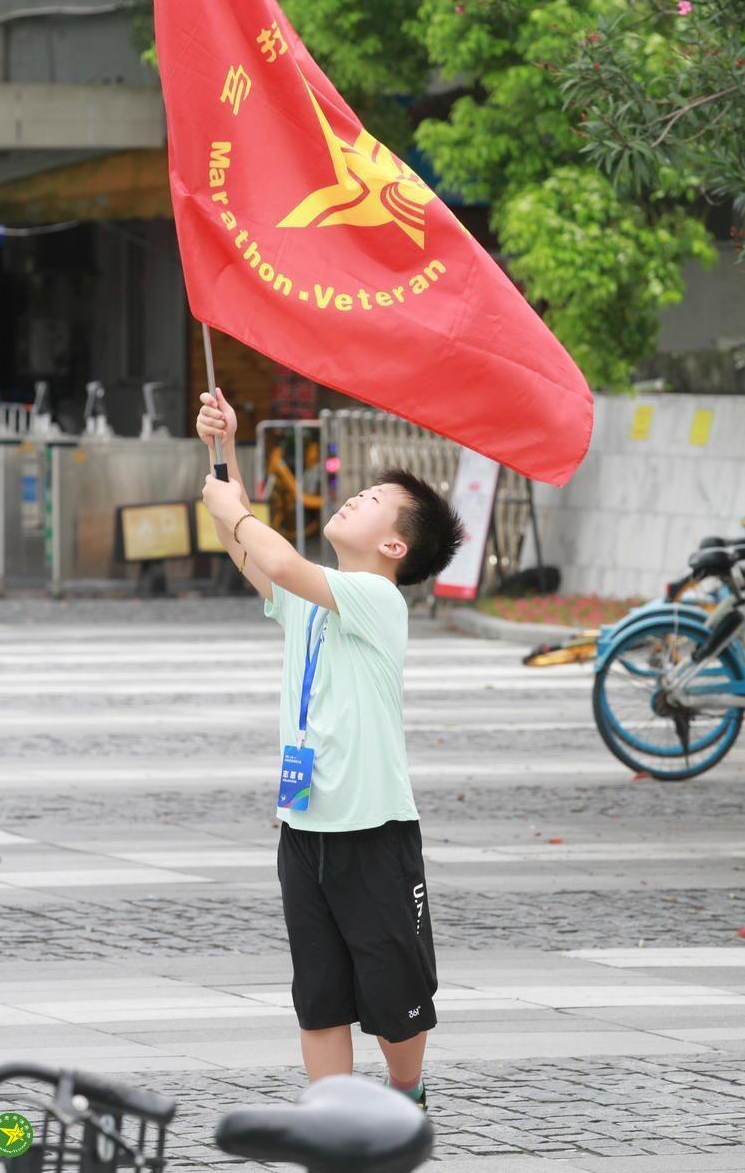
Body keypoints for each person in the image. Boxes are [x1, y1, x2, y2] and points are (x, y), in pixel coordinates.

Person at [197, 387, 464, 1111]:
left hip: (372, 833)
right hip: (302, 829)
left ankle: (406, 1094)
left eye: (374, 499)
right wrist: (222, 450)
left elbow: (277, 560)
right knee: (318, 996)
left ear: (394, 547)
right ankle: (337, 1123)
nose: (354, 498)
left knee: (394, 990)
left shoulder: (378, 600)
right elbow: (254, 557)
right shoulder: (314, 599)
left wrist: (239, 513)